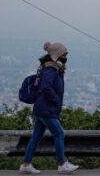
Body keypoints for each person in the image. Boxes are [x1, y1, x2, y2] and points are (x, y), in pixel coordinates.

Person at [19, 41, 79, 174]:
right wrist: (55, 99)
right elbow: (46, 86)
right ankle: (62, 164)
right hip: (47, 109)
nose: (65, 57)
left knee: (36, 137)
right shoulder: (51, 69)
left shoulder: (51, 67)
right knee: (59, 133)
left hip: (41, 108)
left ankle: (26, 164)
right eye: (64, 54)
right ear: (57, 55)